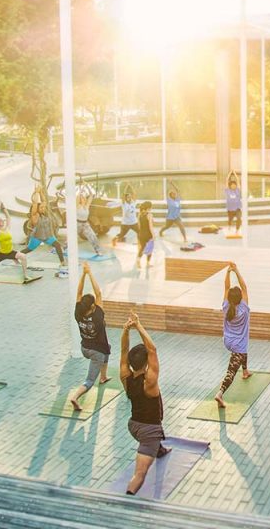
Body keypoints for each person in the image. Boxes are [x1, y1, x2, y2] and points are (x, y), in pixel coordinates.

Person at [120, 311, 171, 494]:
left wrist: (126, 331)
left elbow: (124, 351)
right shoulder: (150, 381)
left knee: (152, 439)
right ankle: (127, 499)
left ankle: (159, 449)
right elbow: (153, 350)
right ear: (146, 363)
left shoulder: (125, 377)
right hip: (148, 431)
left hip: (133, 425)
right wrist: (138, 324)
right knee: (140, 474)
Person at [69, 262, 112, 411]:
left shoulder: (78, 313)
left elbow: (78, 293)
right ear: (93, 306)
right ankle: (75, 397)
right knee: (89, 381)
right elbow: (98, 293)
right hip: (96, 353)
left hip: (84, 348)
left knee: (108, 348)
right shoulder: (98, 316)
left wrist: (83, 274)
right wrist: (90, 273)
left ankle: (104, 376)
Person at [216, 262, 252, 408]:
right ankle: (220, 394)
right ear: (240, 299)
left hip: (228, 341)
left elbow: (226, 287)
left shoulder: (226, 306)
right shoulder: (243, 308)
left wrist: (228, 272)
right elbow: (244, 287)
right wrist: (236, 270)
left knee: (244, 344)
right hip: (237, 345)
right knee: (231, 372)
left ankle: (245, 371)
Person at [24, 203, 67, 276]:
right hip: (37, 237)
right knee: (28, 249)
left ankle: (62, 262)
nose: (43, 209)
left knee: (57, 245)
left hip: (47, 236)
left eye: (43, 207)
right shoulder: (35, 215)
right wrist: (37, 193)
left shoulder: (45, 214)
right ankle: (15, 256)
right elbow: (35, 206)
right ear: (37, 209)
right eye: (41, 208)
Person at [77, 189, 104, 255]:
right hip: (77, 224)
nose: (82, 199)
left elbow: (91, 195)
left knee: (93, 236)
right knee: (71, 237)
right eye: (81, 198)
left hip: (85, 224)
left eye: (83, 198)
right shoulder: (77, 206)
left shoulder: (87, 206)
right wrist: (80, 192)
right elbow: (77, 199)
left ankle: (98, 250)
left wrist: (86, 186)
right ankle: (63, 248)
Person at [136, 201, 155, 269]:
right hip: (148, 235)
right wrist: (153, 235)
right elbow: (150, 226)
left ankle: (138, 259)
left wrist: (139, 234)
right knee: (150, 249)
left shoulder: (140, 214)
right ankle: (148, 263)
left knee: (142, 248)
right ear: (149, 208)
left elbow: (139, 225)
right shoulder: (150, 215)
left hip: (141, 234)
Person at [225, 171, 242, 235]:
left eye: (234, 185)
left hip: (237, 209)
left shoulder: (237, 190)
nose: (233, 186)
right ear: (230, 186)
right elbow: (226, 181)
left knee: (239, 219)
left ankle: (237, 230)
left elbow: (238, 181)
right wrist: (229, 173)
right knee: (230, 220)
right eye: (232, 185)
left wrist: (234, 173)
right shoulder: (228, 191)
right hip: (230, 210)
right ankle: (229, 225)